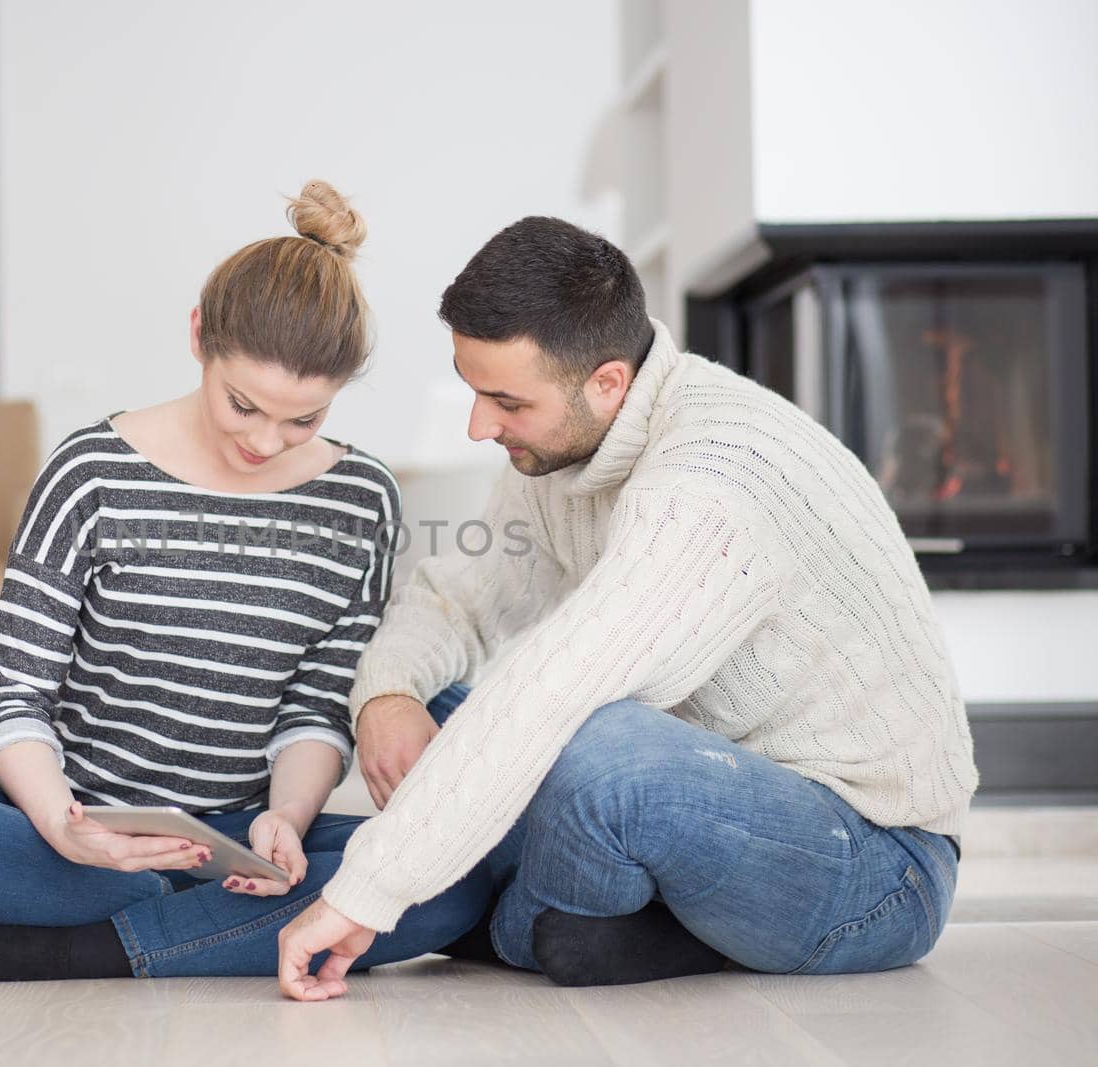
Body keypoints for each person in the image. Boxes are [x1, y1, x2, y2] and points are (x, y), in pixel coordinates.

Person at [274, 216, 978, 1001]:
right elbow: (457, 599)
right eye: (473, 390)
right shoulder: (561, 448)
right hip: (696, 792)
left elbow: (554, 692)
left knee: (598, 751)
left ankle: (505, 922)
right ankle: (546, 909)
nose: (480, 425)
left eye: (504, 399)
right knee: (434, 699)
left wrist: (366, 891)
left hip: (876, 864)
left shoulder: (710, 482)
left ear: (606, 382)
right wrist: (388, 694)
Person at [0, 181, 489, 982]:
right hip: (76, 824)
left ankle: (80, 947)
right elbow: (12, 696)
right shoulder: (90, 472)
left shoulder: (361, 498)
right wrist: (66, 828)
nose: (265, 440)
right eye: (243, 404)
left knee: (455, 875)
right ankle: (186, 926)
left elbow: (317, 703)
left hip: (246, 836)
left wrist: (285, 816)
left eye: (302, 419)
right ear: (200, 334)